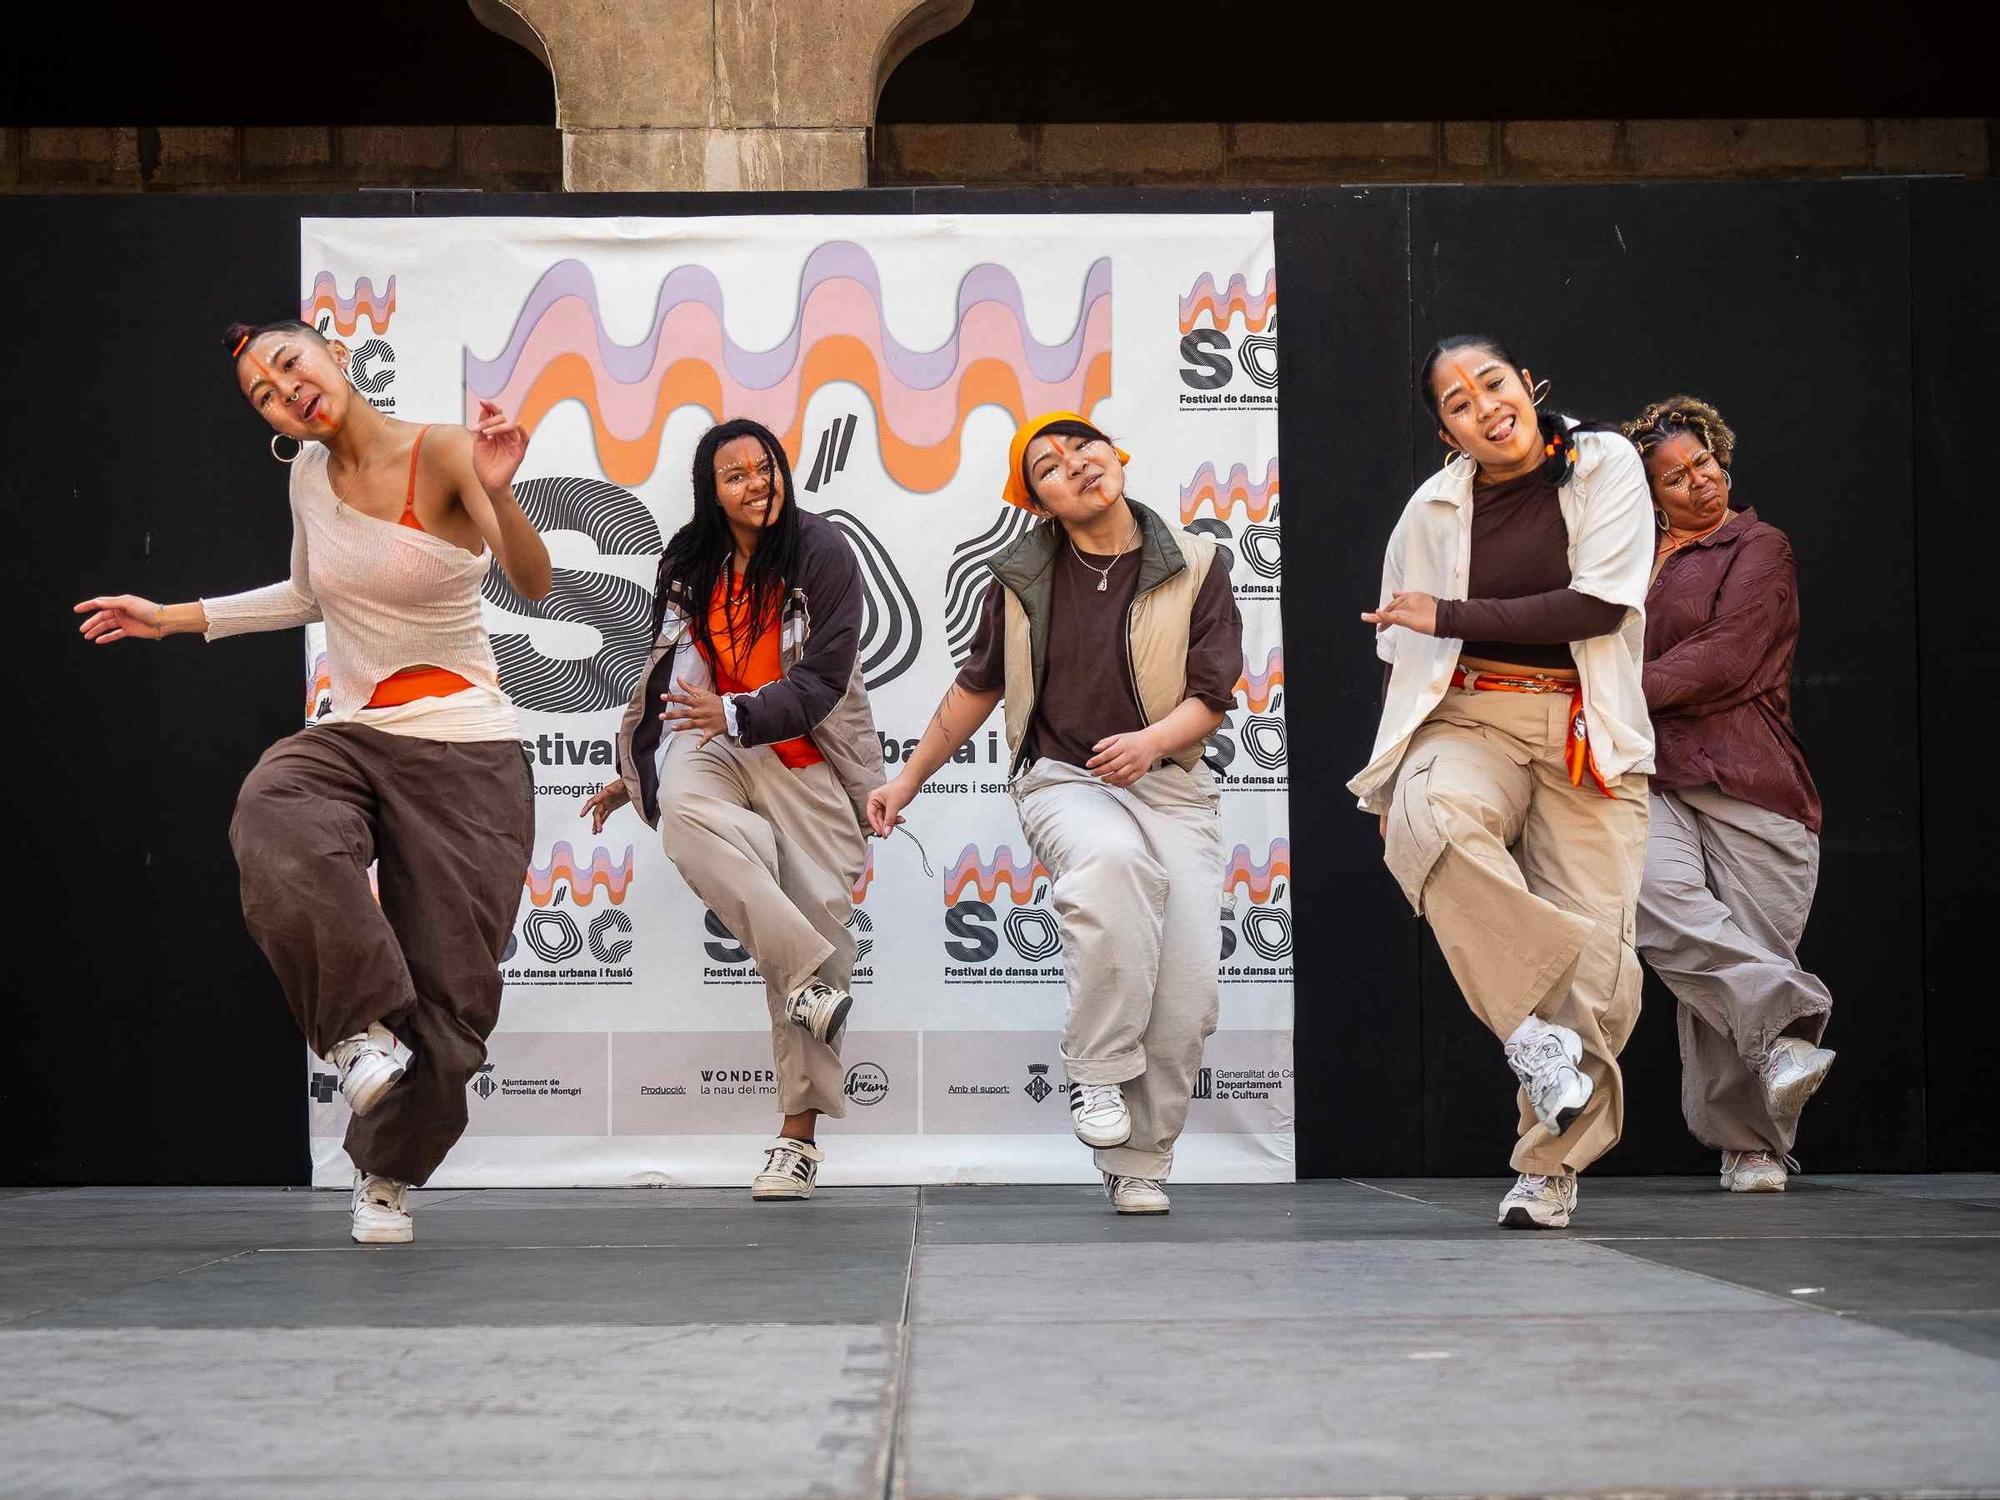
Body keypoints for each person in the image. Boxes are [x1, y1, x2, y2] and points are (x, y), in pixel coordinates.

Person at [75, 317, 550, 1245]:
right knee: (275, 809)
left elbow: (531, 581)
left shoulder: (445, 451)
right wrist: (170, 618)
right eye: (263, 393)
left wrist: (503, 494)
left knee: (452, 1008)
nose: (284, 390)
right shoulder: (305, 477)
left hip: (466, 749)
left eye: (290, 364)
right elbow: (306, 595)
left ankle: (386, 1169)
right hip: (358, 732)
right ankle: (355, 1035)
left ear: (333, 353)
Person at [867, 411, 1243, 1215]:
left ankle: (1140, 1160)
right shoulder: (1019, 582)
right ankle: (1097, 1074)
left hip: (1170, 784)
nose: (1073, 465)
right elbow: (977, 688)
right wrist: (906, 782)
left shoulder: (1200, 561)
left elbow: (1212, 694)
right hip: (1064, 779)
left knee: (1186, 993)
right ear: (1036, 500)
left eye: (1084, 448)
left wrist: (1148, 743)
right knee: (1111, 864)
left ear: (1118, 455)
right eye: (1048, 465)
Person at [1350, 336, 1654, 1229]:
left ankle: (1547, 1170)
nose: (1481, 405)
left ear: (1527, 385)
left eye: (1491, 383)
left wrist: (1448, 614)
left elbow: (1600, 604)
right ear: (1447, 431)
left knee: (1601, 976)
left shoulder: (1603, 463)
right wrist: (1395, 774)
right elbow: (1401, 651)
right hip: (1470, 715)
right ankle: (1529, 1035)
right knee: (1430, 820)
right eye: (1455, 402)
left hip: (1583, 728)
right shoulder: (1431, 510)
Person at [584, 418, 883, 1201]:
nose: (758, 484)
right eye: (736, 475)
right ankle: (808, 974)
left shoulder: (820, 550)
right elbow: (668, 674)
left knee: (816, 914)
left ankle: (798, 1138)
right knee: (681, 812)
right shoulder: (690, 559)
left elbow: (822, 681)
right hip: (715, 744)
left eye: (767, 468)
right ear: (710, 491)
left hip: (802, 752)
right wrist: (639, 770)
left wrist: (737, 713)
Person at [1624, 395, 1835, 1193]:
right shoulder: (1621, 552)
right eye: (1675, 479)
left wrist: (1609, 692)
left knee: (1742, 945)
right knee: (1657, 901)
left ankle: (1750, 1146)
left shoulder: (1760, 546)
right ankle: (1786, 1024)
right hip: (1645, 772)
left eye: (1704, 464)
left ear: (1723, 459)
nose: (1698, 484)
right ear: (1649, 494)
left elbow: (1728, 658)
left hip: (1749, 781)